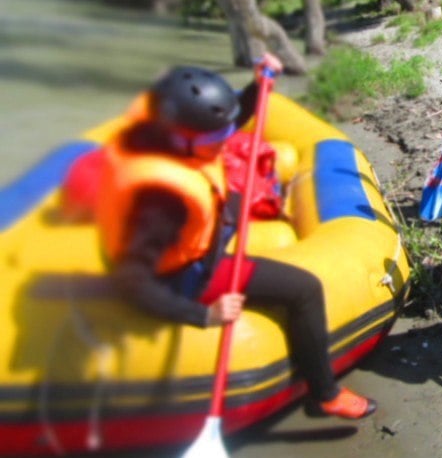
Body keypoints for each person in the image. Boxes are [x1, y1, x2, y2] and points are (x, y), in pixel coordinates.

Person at [95, 59, 377, 419]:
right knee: (304, 289)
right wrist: (202, 314)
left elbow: (227, 121)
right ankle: (325, 395)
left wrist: (258, 86)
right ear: (181, 138)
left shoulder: (166, 134)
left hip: (192, 246)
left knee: (242, 201)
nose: (225, 140)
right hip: (183, 278)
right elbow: (131, 280)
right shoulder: (161, 202)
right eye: (216, 138)